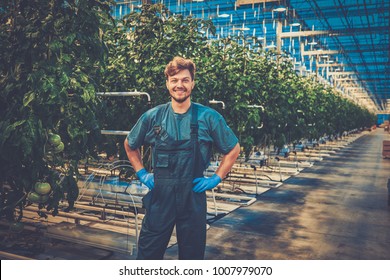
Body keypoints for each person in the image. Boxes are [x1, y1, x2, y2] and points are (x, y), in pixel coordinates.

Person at [124, 56, 240, 260]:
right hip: (161, 197)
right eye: (175, 80)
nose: (180, 85)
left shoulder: (208, 117)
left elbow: (233, 148)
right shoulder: (153, 117)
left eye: (185, 80)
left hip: (192, 196)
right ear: (167, 83)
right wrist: (142, 173)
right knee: (148, 256)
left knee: (192, 257)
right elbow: (130, 144)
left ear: (192, 83)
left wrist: (216, 178)